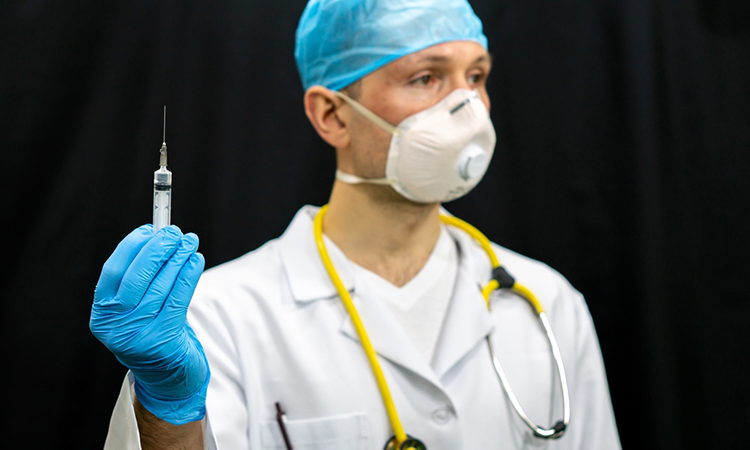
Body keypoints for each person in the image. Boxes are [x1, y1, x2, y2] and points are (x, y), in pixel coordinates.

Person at [90, 0, 621, 449]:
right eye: (426, 78)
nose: (469, 109)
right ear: (332, 115)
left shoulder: (548, 302)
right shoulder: (220, 314)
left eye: (476, 76)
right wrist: (168, 408)